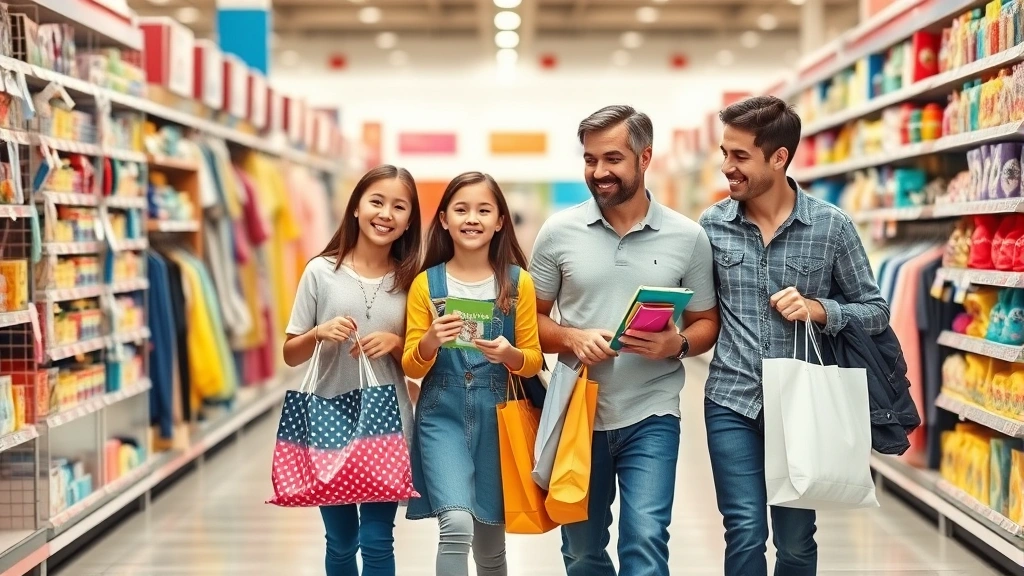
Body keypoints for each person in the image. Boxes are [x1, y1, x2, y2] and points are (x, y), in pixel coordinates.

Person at [699, 95, 890, 576]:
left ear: (779, 157)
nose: (727, 167)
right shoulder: (712, 227)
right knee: (743, 530)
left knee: (796, 541)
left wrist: (819, 310)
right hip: (731, 398)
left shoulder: (831, 228)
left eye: (739, 156)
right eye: (725, 153)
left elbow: (876, 311)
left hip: (802, 407)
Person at [529, 105, 720, 575]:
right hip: (577, 412)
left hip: (652, 413)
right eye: (590, 160)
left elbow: (706, 322)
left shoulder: (687, 237)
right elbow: (528, 322)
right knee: (581, 551)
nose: (599, 172)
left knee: (646, 541)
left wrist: (675, 345)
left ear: (645, 156)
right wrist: (573, 337)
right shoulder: (558, 232)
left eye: (612, 159)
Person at [282, 165, 422, 576]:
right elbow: (291, 354)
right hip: (329, 417)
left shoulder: (412, 279)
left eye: (399, 206)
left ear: (409, 220)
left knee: (377, 541)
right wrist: (318, 334)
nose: (386, 213)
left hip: (389, 419)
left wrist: (397, 344)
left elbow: (421, 359)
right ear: (356, 208)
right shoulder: (320, 272)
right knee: (341, 542)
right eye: (377, 201)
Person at [402, 171, 543, 576]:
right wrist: (430, 340)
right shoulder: (426, 285)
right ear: (443, 218)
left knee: (491, 545)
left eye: (484, 210)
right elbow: (412, 365)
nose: (472, 218)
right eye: (461, 209)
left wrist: (510, 354)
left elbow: (533, 358)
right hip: (440, 416)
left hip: (498, 416)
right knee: (456, 524)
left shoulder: (518, 283)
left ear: (501, 220)